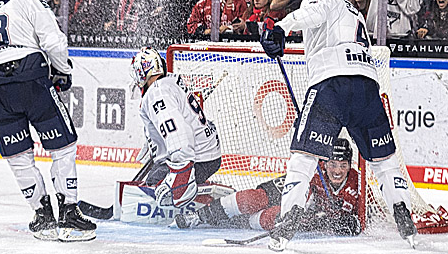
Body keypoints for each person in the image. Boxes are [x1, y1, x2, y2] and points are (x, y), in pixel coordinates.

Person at [259, 0, 418, 251]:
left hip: (331, 84)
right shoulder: (354, 9)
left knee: (304, 155)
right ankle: (402, 213)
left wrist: (280, 28)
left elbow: (311, 13)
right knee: (384, 160)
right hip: (368, 86)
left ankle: (289, 216)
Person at [0, 0, 94, 242]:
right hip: (32, 80)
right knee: (63, 145)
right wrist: (62, 70)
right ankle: (69, 211)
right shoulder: (32, 3)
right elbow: (55, 43)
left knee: (18, 156)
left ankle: (42, 214)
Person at [129, 48, 222, 230]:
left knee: (154, 184)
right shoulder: (169, 82)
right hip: (206, 151)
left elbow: (177, 131)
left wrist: (181, 172)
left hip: (198, 157)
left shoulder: (156, 93)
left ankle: (201, 200)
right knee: (155, 175)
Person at [192, 138, 364, 237]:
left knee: (276, 217)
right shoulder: (312, 171)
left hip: (305, 219)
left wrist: (343, 222)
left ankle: (239, 221)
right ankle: (201, 215)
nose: (337, 171)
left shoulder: (358, 184)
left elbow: (369, 217)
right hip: (292, 197)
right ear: (324, 163)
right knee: (255, 199)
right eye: (332, 164)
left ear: (350, 165)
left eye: (343, 165)